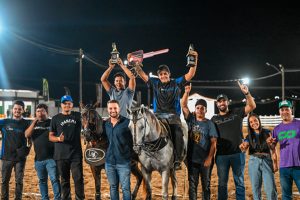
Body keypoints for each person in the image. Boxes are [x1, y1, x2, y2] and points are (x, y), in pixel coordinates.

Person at [136, 49, 198, 169]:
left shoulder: (177, 83)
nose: (163, 76)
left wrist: (194, 60)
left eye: (165, 74)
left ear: (169, 74)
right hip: (157, 116)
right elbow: (142, 74)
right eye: (161, 74)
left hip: (173, 116)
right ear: (158, 76)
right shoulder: (155, 83)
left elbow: (191, 74)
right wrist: (135, 63)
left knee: (177, 133)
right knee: (143, 130)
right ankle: (144, 156)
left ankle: (177, 160)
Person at [211, 81, 256, 200]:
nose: (222, 103)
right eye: (219, 101)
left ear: (227, 102)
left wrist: (247, 93)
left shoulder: (236, 112)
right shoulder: (214, 119)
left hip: (237, 153)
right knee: (222, 183)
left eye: (223, 101)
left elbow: (252, 106)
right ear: (217, 104)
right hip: (221, 156)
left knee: (239, 182)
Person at [181, 84, 218, 200]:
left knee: (205, 185)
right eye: (198, 108)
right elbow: (183, 105)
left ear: (206, 110)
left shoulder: (210, 124)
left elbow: (213, 143)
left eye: (202, 108)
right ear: (195, 109)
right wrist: (187, 92)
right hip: (192, 160)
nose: (200, 110)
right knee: (192, 185)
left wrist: (209, 158)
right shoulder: (190, 120)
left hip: (205, 161)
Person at [49, 95, 85, 200]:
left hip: (76, 154)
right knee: (64, 180)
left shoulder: (78, 116)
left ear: (72, 105)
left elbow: (87, 123)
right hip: (60, 154)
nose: (67, 105)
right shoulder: (55, 118)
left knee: (78, 179)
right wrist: (58, 139)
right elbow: (50, 137)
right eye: (65, 103)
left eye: (69, 103)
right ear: (61, 105)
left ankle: (79, 198)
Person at [25, 103, 61, 200]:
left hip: (52, 158)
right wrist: (34, 122)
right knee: (42, 181)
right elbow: (27, 135)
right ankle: (45, 198)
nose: (40, 113)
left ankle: (58, 198)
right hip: (39, 159)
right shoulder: (33, 125)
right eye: (38, 111)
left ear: (47, 112)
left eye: (42, 111)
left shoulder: (52, 122)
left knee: (55, 180)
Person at [239, 113, 278, 200]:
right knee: (256, 188)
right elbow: (244, 147)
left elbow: (273, 148)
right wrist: (243, 147)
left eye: (255, 120)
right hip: (254, 162)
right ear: (249, 124)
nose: (253, 123)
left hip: (266, 161)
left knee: (271, 188)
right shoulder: (248, 136)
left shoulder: (267, 132)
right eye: (251, 122)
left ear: (259, 120)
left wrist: (275, 163)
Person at [267, 100, 300, 200]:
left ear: (291, 110)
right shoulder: (277, 129)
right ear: (279, 112)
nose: (284, 112)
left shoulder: (299, 124)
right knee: (286, 196)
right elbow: (273, 148)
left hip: (299, 165)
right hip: (284, 167)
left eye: (287, 109)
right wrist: (270, 144)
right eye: (282, 110)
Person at [0, 100, 31, 200]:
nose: (17, 111)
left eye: (19, 109)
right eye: (15, 109)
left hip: (20, 159)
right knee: (4, 181)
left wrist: (27, 150)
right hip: (6, 157)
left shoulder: (26, 123)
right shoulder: (4, 122)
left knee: (19, 181)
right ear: (12, 110)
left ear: (23, 110)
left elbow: (30, 139)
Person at [103, 100, 133, 200]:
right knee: (113, 187)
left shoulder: (128, 122)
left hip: (124, 162)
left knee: (125, 189)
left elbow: (134, 140)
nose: (113, 110)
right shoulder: (105, 124)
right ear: (107, 109)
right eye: (110, 108)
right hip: (109, 162)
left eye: (115, 108)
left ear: (119, 109)